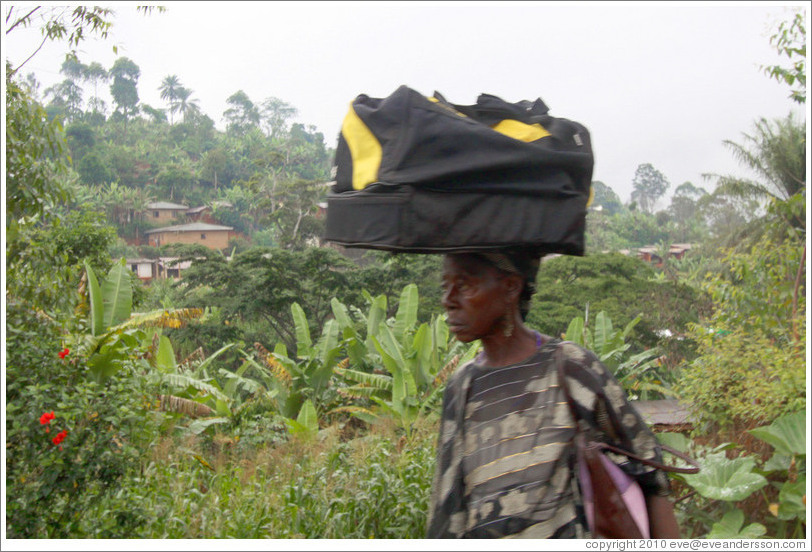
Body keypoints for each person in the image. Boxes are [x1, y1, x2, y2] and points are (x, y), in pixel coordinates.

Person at [426, 250, 679, 539]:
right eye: (445, 286)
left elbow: (649, 468)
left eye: (465, 285)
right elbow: (448, 507)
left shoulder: (570, 367)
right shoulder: (462, 386)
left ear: (511, 287)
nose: (448, 300)